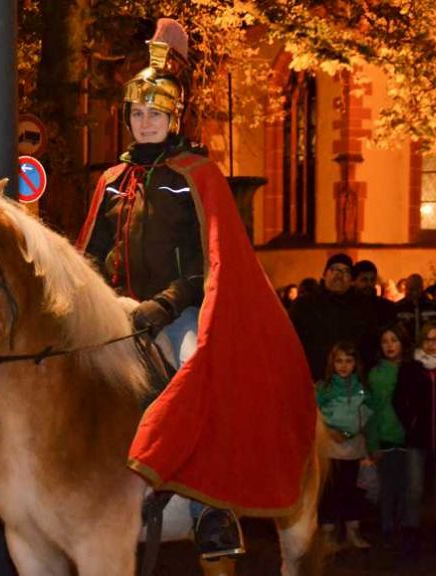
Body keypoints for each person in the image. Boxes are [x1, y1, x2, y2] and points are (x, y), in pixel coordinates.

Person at [75, 18, 316, 561]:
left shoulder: (196, 174)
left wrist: (163, 306)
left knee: (197, 373)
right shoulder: (111, 180)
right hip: (114, 313)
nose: (145, 122)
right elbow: (88, 252)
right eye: (137, 114)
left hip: (177, 311)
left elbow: (213, 261)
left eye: (154, 114)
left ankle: (212, 511)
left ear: (172, 117)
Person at [393, 320, 436, 557]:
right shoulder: (411, 368)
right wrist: (410, 422)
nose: (432, 345)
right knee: (414, 488)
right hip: (418, 437)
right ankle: (411, 532)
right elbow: (399, 399)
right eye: (428, 340)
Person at [316, 342, 373, 551]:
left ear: (355, 363)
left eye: (348, 361)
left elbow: (367, 414)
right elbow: (315, 414)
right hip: (330, 449)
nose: (343, 366)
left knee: (352, 491)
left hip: (354, 449)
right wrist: (329, 431)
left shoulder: (361, 389)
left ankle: (352, 532)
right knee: (330, 492)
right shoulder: (325, 388)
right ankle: (328, 535)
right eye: (339, 361)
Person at [289, 253, 375, 379]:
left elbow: (370, 344)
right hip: (315, 380)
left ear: (351, 280)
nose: (339, 275)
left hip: (352, 383)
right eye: (334, 269)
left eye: (346, 271)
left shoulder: (363, 307)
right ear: (324, 274)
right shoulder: (304, 305)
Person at [365, 323, 412, 550]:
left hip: (408, 436)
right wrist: (372, 441)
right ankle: (387, 527)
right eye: (385, 341)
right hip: (385, 435)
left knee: (406, 485)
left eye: (394, 340)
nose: (389, 346)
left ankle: (403, 525)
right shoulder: (377, 374)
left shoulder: (411, 370)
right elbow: (373, 410)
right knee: (387, 486)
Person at [394, 273, 436, 346]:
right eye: (407, 288)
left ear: (421, 288)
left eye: (413, 289)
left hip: (428, 346)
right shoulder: (398, 307)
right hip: (406, 347)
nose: (409, 292)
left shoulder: (432, 307)